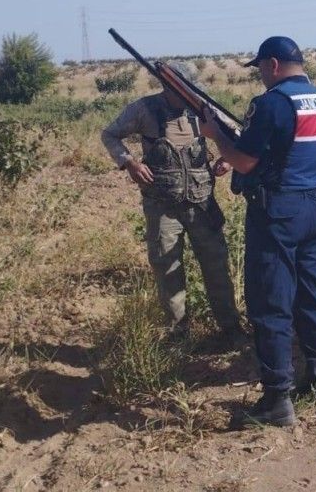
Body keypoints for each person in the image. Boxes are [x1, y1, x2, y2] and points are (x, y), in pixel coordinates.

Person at [201, 36, 316, 428]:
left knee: (270, 303)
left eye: (259, 67)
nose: (259, 74)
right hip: (313, 207)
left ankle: (277, 400)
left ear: (273, 64)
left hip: (276, 211)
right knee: (311, 296)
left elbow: (242, 159)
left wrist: (215, 134)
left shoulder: (270, 103)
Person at [99, 61, 246, 348]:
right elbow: (109, 134)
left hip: (202, 203)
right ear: (168, 87)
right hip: (162, 204)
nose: (188, 95)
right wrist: (129, 163)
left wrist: (227, 159)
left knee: (216, 265)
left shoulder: (204, 108)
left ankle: (230, 329)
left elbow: (235, 135)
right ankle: (179, 335)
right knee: (167, 268)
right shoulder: (144, 109)